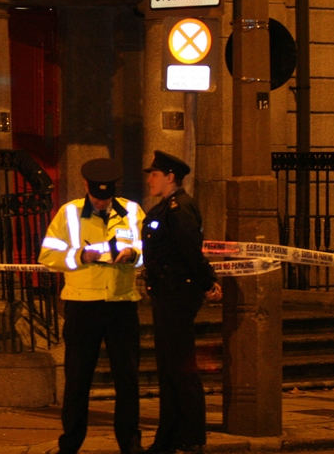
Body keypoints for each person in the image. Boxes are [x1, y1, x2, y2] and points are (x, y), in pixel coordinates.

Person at [39, 158, 146, 454]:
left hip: (122, 304)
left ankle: (130, 443)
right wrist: (79, 256)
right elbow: (48, 253)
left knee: (128, 379)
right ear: (86, 187)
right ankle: (70, 444)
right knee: (77, 380)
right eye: (97, 198)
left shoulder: (133, 211)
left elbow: (148, 248)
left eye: (107, 197)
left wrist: (133, 254)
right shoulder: (69, 213)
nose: (102, 203)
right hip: (82, 304)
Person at [141, 150, 222, 454]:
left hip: (177, 295)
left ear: (170, 177)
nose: (150, 180)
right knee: (169, 369)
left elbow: (191, 252)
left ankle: (191, 437)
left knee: (181, 369)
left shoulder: (180, 209)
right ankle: (170, 437)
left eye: (154, 174)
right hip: (166, 294)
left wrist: (208, 283)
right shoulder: (165, 208)